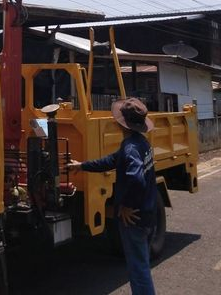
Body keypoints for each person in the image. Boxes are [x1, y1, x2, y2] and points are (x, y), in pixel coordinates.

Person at [67, 97, 157, 295]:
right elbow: (111, 161)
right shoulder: (141, 143)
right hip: (147, 213)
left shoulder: (130, 148)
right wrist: (82, 166)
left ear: (121, 123)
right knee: (140, 265)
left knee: (138, 269)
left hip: (135, 217)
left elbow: (136, 179)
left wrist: (125, 205)